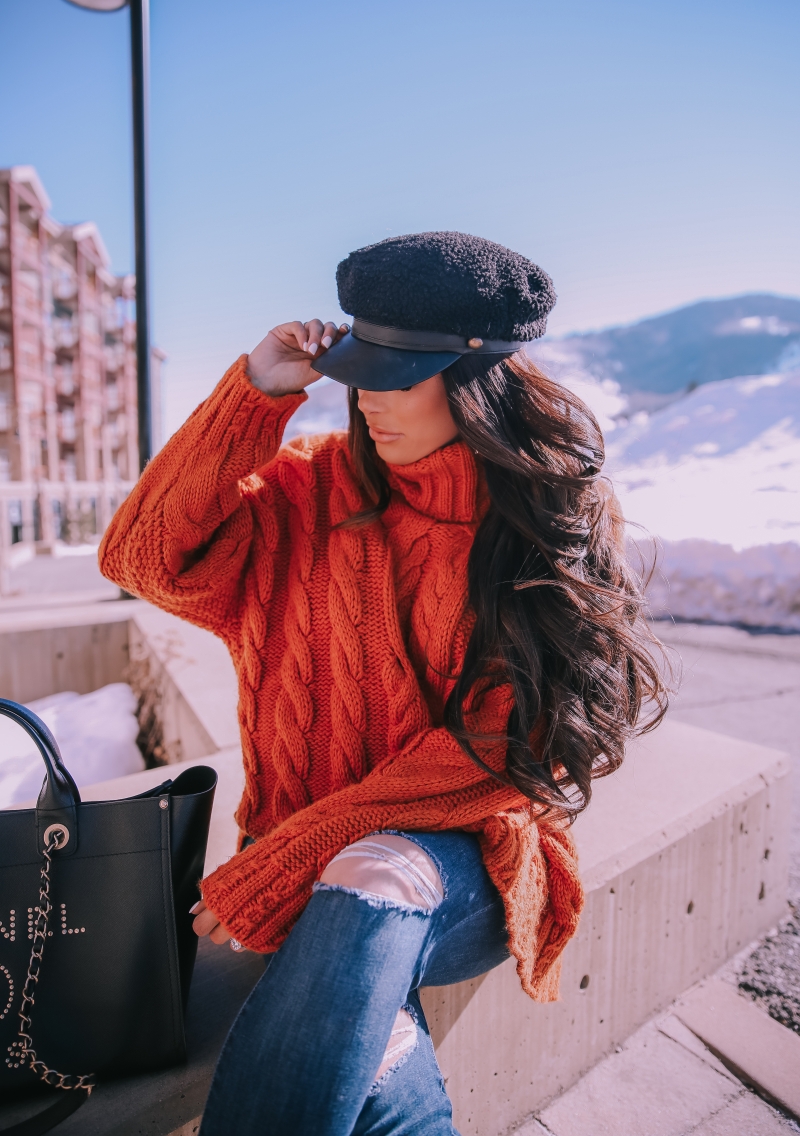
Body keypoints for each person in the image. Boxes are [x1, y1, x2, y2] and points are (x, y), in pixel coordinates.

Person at [99, 232, 667, 1135]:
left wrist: (301, 854)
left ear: (478, 383)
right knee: (361, 1006)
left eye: (398, 378)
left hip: (464, 861)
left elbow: (506, 748)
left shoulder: (538, 519)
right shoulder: (307, 492)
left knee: (374, 871)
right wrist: (256, 394)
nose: (367, 401)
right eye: (359, 373)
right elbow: (141, 557)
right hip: (307, 858)